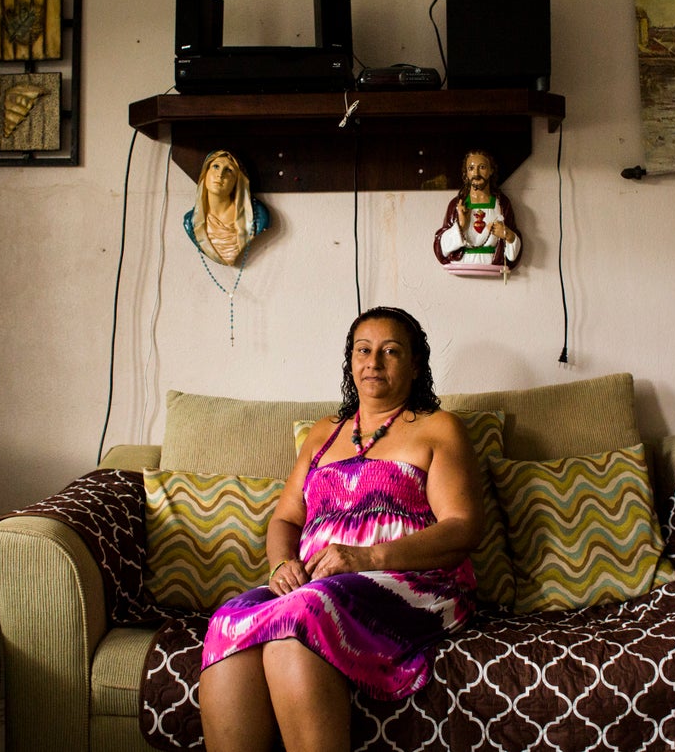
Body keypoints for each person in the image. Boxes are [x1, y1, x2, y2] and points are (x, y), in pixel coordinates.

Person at [199, 307, 483, 752]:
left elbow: (463, 528)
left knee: (298, 620)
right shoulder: (323, 434)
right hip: (319, 584)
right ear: (350, 361)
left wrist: (366, 558)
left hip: (412, 581)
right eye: (363, 350)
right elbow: (286, 519)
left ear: (414, 365)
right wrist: (280, 566)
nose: (374, 362)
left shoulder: (438, 428)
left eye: (391, 351)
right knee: (228, 621)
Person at [433, 149, 522, 272]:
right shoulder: (457, 205)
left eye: (482, 167)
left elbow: (512, 254)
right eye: (471, 168)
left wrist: (508, 235)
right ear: (466, 174)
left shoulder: (501, 204)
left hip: (493, 267)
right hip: (461, 266)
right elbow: (442, 248)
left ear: (491, 171)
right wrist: (460, 226)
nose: (476, 173)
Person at [184, 149, 270, 266]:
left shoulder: (257, 215)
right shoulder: (191, 221)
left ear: (237, 181)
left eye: (229, 170)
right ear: (205, 173)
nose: (220, 174)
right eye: (215, 166)